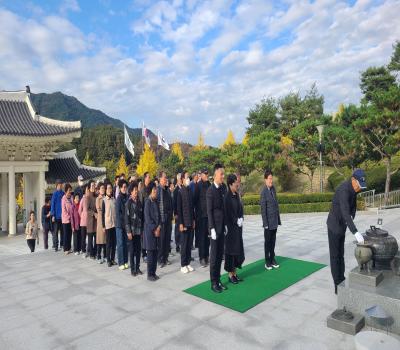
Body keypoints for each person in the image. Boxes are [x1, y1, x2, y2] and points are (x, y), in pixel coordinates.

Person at [327, 169, 367, 294]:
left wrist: (351, 218)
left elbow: (352, 208)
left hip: (342, 226)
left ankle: (341, 279)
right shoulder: (344, 189)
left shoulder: (354, 189)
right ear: (353, 180)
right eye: (359, 185)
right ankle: (337, 285)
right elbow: (345, 211)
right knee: (335, 256)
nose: (359, 188)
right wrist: (355, 231)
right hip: (334, 226)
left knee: (341, 255)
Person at [207, 163, 227, 293]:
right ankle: (213, 282)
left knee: (220, 255)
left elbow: (223, 209)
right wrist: (212, 228)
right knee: (214, 257)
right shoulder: (211, 191)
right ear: (215, 175)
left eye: (223, 174)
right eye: (221, 174)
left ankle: (218, 279)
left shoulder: (222, 189)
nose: (223, 177)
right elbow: (209, 211)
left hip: (221, 227)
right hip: (214, 228)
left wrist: (225, 224)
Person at [224, 174, 245, 284]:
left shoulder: (236, 195)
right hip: (231, 229)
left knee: (237, 251)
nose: (238, 184)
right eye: (236, 182)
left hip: (238, 228)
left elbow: (240, 208)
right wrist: (235, 220)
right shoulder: (227, 197)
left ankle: (235, 273)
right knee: (231, 252)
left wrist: (241, 218)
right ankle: (230, 275)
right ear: (231, 183)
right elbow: (228, 213)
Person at [260, 169, 281, 271]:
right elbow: (263, 209)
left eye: (272, 179)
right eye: (269, 179)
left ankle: (272, 259)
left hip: (274, 221)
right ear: (265, 180)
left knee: (273, 241)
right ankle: (267, 261)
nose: (271, 181)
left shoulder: (273, 189)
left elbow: (276, 204)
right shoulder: (263, 192)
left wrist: (278, 220)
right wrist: (265, 223)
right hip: (268, 223)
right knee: (267, 242)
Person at [177, 171, 195, 274]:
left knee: (189, 244)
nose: (188, 179)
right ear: (182, 179)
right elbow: (179, 210)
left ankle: (188, 263)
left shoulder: (189, 190)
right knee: (184, 244)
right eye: (187, 177)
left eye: (189, 177)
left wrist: (193, 220)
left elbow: (192, 207)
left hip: (190, 221)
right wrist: (180, 223)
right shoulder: (180, 192)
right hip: (183, 222)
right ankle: (183, 264)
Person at [125, 181, 143, 276]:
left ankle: (138, 267)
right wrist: (128, 232)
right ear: (131, 192)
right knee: (132, 251)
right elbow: (126, 219)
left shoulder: (139, 202)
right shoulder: (128, 203)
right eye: (134, 190)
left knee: (138, 249)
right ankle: (132, 269)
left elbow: (142, 216)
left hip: (139, 230)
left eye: (137, 190)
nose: (136, 191)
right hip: (131, 231)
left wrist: (142, 229)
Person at [143, 182, 161, 281]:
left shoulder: (156, 201)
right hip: (150, 232)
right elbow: (148, 219)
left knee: (155, 253)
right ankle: (150, 274)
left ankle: (154, 272)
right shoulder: (147, 202)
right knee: (150, 254)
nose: (155, 191)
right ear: (150, 191)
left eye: (156, 190)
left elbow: (159, 216)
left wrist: (159, 227)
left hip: (157, 231)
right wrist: (155, 229)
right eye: (154, 190)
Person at [194, 168, 211, 267]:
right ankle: (202, 257)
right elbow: (194, 201)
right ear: (201, 175)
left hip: (208, 216)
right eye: (205, 174)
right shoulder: (198, 186)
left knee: (207, 238)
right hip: (200, 216)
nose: (206, 175)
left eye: (207, 174)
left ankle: (207, 255)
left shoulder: (209, 185)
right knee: (201, 238)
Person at [157, 171, 173, 268]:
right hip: (162, 218)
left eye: (166, 178)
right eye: (164, 178)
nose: (165, 179)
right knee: (161, 240)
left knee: (167, 239)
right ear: (160, 179)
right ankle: (160, 259)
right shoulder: (158, 190)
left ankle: (166, 257)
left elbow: (170, 203)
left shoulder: (167, 190)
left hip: (168, 217)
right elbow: (157, 205)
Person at [102, 182, 117, 267]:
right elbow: (102, 213)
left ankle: (112, 259)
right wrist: (103, 226)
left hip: (114, 224)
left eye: (111, 188)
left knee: (114, 243)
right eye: (108, 188)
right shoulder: (104, 200)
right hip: (107, 224)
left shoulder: (114, 199)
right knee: (108, 243)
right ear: (105, 190)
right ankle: (108, 260)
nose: (109, 190)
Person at [116, 179, 129, 270]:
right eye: (123, 187)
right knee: (120, 244)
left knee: (125, 243)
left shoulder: (127, 197)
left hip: (126, 224)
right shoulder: (119, 198)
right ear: (120, 188)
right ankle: (121, 262)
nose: (125, 188)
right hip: (120, 225)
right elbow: (118, 213)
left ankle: (125, 261)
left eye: (125, 187)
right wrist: (125, 221)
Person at [139, 172, 151, 262]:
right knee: (143, 237)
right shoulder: (142, 190)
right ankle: (144, 254)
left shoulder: (150, 188)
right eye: (148, 177)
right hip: (144, 217)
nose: (149, 179)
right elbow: (140, 205)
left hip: (150, 216)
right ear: (145, 178)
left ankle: (149, 252)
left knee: (149, 236)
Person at [50, 179, 64, 251]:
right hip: (56, 216)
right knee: (55, 232)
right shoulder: (54, 194)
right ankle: (56, 245)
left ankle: (62, 244)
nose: (60, 186)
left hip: (63, 216)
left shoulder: (63, 193)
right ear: (56, 186)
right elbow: (52, 205)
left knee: (63, 231)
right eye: (59, 184)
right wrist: (52, 215)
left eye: (61, 184)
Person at [61, 183, 74, 255]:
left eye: (70, 190)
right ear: (66, 191)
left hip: (71, 219)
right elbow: (64, 210)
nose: (70, 192)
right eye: (69, 190)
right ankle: (65, 248)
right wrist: (68, 217)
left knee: (70, 234)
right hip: (66, 220)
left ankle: (69, 247)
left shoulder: (71, 198)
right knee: (66, 234)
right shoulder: (63, 199)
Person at [96, 182, 106, 264]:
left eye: (104, 188)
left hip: (106, 219)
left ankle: (105, 256)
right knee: (100, 239)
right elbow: (99, 209)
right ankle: (98, 255)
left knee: (105, 239)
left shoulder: (106, 197)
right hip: (100, 220)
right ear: (99, 190)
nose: (103, 189)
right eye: (101, 188)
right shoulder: (98, 199)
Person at [86, 180, 97, 259]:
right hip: (90, 220)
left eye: (94, 185)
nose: (93, 187)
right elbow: (87, 209)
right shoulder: (88, 197)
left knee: (96, 238)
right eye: (92, 186)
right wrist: (94, 213)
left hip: (96, 221)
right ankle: (91, 253)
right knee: (90, 238)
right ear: (89, 188)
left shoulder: (96, 196)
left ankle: (95, 252)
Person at [173, 173, 182, 253]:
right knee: (177, 230)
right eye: (179, 179)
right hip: (177, 213)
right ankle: (177, 244)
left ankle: (181, 243)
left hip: (182, 213)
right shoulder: (176, 190)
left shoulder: (183, 188)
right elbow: (174, 203)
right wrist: (175, 213)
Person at [79, 185, 89, 257]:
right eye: (87, 190)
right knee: (83, 237)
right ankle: (83, 250)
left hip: (88, 221)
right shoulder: (82, 199)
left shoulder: (88, 198)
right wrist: (82, 216)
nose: (88, 191)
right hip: (83, 222)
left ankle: (87, 249)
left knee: (89, 237)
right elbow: (79, 210)